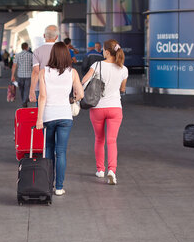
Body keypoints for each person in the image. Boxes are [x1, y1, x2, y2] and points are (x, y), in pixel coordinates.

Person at [35, 42, 84, 196]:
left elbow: (42, 97)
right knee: (61, 152)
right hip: (65, 116)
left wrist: (39, 119)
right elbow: (80, 94)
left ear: (53, 55)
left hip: (48, 116)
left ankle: (48, 185)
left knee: (48, 150)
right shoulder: (73, 73)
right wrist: (71, 99)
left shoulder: (44, 72)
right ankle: (59, 187)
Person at [81, 39, 128, 184]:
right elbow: (122, 89)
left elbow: (83, 81)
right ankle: (112, 171)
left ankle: (100, 170)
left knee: (99, 139)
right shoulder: (123, 69)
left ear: (107, 52)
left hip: (98, 108)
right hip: (115, 108)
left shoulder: (97, 65)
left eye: (103, 50)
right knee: (112, 141)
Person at [29, 25, 59, 104]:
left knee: (41, 112)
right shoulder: (62, 51)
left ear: (44, 36)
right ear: (56, 37)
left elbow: (36, 72)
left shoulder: (37, 51)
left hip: (41, 87)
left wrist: (32, 90)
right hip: (59, 87)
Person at [11, 42, 34, 108]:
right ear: (27, 47)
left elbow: (14, 66)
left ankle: (24, 101)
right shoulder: (31, 55)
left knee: (21, 89)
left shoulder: (17, 55)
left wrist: (12, 75)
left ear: (22, 47)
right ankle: (24, 101)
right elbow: (33, 66)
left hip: (20, 75)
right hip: (28, 75)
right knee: (27, 89)